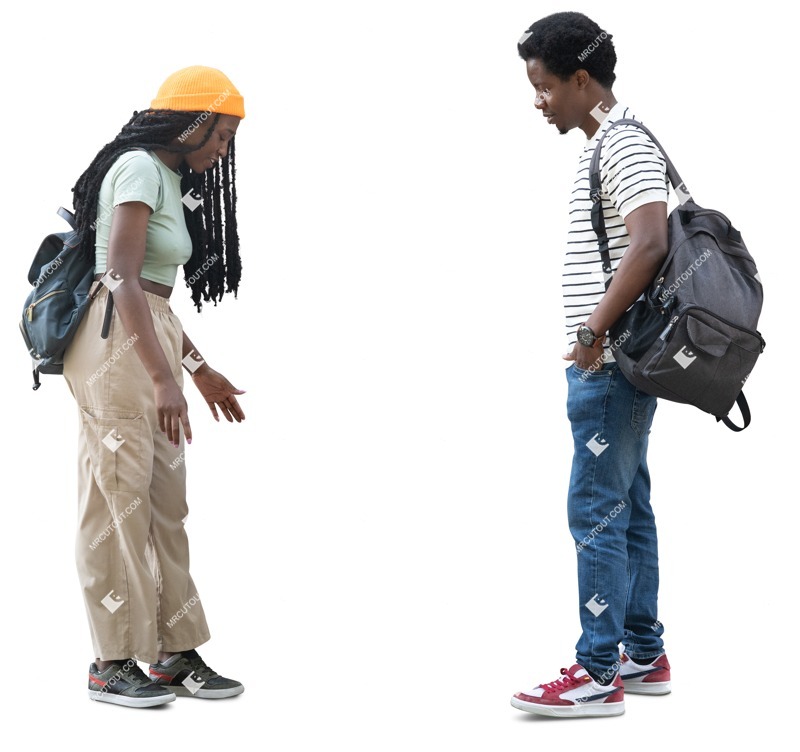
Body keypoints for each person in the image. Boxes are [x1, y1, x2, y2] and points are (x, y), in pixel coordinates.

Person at [63, 66, 247, 707]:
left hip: (148, 332)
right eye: (222, 135)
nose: (224, 149)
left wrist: (199, 371)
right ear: (192, 122)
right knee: (119, 502)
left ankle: (172, 651)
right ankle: (110, 661)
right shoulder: (140, 166)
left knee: (166, 503)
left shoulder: (165, 175)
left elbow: (159, 299)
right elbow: (120, 276)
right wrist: (166, 378)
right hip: (116, 345)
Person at [510, 13, 672, 718]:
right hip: (616, 362)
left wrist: (590, 331)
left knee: (596, 511)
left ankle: (596, 671)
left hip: (607, 362)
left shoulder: (623, 142)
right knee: (627, 504)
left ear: (582, 79)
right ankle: (643, 651)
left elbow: (650, 243)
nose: (538, 101)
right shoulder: (608, 141)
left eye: (544, 87)